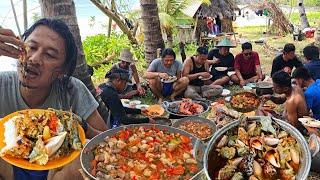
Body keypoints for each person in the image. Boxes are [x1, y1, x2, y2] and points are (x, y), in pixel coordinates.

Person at [0, 19, 107, 180]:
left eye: (49, 55)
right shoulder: (2, 83)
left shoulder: (72, 90)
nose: (34, 58)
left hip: (58, 172)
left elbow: (106, 141)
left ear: (61, 71)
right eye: (31, 47)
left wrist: (83, 126)